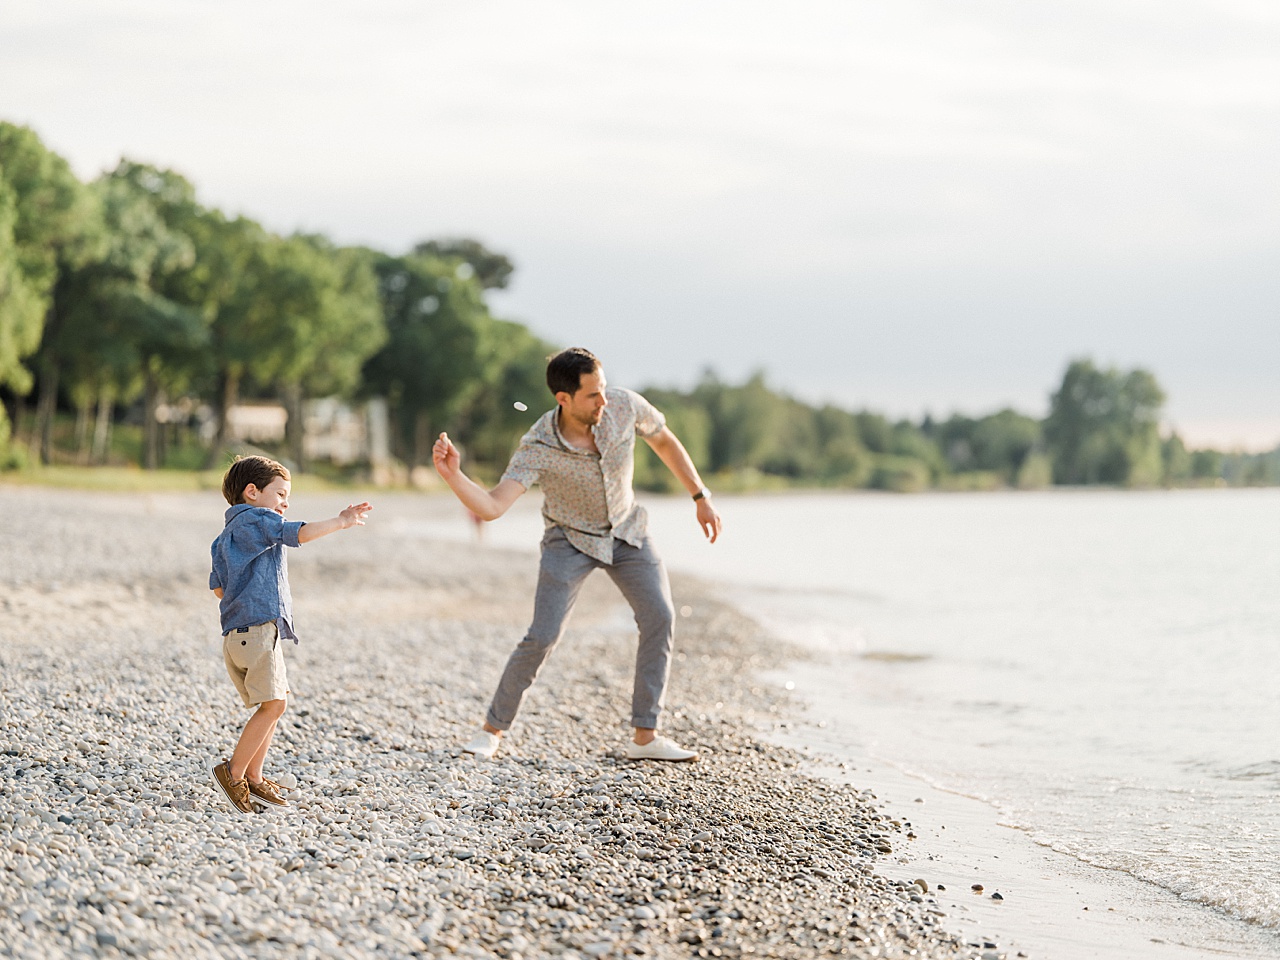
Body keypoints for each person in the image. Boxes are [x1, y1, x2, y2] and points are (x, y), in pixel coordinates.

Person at [432, 347, 722, 761]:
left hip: (627, 531)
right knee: (543, 635)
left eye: (603, 389)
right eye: (592, 395)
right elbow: (493, 506)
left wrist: (699, 495)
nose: (604, 400)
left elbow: (663, 440)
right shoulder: (538, 445)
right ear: (563, 399)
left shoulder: (624, 405)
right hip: (568, 540)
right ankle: (491, 731)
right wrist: (453, 475)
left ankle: (645, 737)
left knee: (660, 616)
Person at [209, 455, 372, 815]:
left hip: (237, 636)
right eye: (280, 494)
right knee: (275, 705)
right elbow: (298, 533)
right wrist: (342, 521)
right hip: (257, 632)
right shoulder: (260, 519)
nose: (285, 503)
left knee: (276, 700)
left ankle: (254, 775)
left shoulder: (223, 538)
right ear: (252, 492)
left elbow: (219, 590)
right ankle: (233, 772)